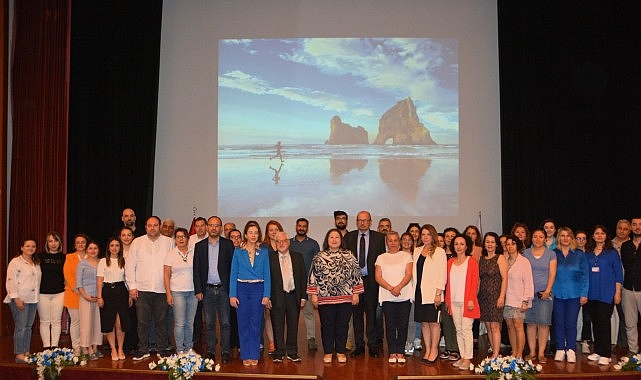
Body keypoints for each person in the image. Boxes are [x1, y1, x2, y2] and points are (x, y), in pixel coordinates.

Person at [308, 229, 363, 364]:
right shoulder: (319, 256)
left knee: (342, 325)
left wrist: (356, 294)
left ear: (341, 239)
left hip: (345, 298)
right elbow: (312, 277)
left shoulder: (349, 255)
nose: (334, 239)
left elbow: (356, 276)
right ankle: (327, 352)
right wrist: (314, 295)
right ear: (327, 240)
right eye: (331, 237)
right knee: (327, 326)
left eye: (336, 237)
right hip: (325, 298)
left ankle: (340, 351)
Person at [126, 216, 175, 360]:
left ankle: (161, 349)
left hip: (162, 289)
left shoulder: (169, 242)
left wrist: (170, 288)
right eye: (149, 225)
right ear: (146, 227)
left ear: (159, 226)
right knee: (142, 321)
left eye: (155, 225)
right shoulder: (137, 242)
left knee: (161, 321)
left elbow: (173, 265)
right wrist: (132, 287)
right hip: (142, 289)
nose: (152, 228)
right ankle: (143, 349)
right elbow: (130, 265)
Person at [345, 210, 387, 358]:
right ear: (356, 222)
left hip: (371, 281)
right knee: (356, 316)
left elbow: (382, 260)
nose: (362, 222)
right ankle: (359, 346)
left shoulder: (379, 238)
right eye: (360, 220)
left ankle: (373, 345)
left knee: (372, 315)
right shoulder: (349, 237)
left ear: (370, 222)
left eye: (365, 220)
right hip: (354, 283)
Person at [193, 216, 234, 363]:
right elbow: (196, 269)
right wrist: (198, 290)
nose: (214, 228)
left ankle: (225, 351)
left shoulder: (228, 245)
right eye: (211, 225)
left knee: (225, 322)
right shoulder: (200, 246)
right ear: (207, 227)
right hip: (207, 290)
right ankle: (210, 351)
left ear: (221, 228)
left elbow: (232, 269)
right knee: (209, 323)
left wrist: (232, 291)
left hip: (224, 290)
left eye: (217, 225)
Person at [229, 221, 271, 366]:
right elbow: (233, 274)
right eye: (250, 232)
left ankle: (254, 354)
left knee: (256, 323)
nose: (253, 235)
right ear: (245, 234)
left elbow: (267, 274)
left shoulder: (264, 252)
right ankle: (245, 354)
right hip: (242, 289)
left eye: (256, 232)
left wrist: (267, 294)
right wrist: (232, 295)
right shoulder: (238, 252)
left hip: (258, 289)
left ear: (259, 234)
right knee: (243, 323)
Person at [585, 225, 623, 366]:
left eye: (602, 233)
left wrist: (617, 292)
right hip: (591, 294)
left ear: (606, 236)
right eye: (597, 233)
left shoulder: (612, 253)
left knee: (604, 322)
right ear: (593, 236)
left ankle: (606, 353)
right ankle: (598, 351)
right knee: (595, 322)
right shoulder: (588, 253)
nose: (599, 235)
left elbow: (618, 274)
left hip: (607, 294)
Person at [268, 232, 307, 362]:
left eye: (284, 240)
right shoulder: (270, 258)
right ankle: (278, 352)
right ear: (275, 243)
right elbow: (267, 279)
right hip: (276, 297)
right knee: (277, 325)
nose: (281, 243)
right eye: (278, 241)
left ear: (288, 242)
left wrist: (303, 297)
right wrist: (267, 297)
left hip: (293, 296)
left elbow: (302, 278)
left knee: (293, 325)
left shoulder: (298, 257)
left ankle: (292, 352)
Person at [375, 231, 412, 364]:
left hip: (404, 295)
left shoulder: (406, 256)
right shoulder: (381, 257)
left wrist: (399, 287)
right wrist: (391, 288)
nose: (393, 243)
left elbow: (409, 274)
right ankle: (392, 351)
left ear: (400, 241)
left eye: (396, 240)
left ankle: (400, 352)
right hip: (387, 296)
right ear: (386, 242)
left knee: (402, 325)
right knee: (390, 326)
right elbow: (378, 277)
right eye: (390, 240)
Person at [552, 227, 588, 363]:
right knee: (559, 322)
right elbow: (550, 274)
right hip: (557, 294)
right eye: (562, 236)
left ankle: (571, 349)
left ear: (572, 238)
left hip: (574, 294)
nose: (565, 238)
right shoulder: (553, 254)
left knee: (571, 323)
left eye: (568, 236)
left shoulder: (579, 254)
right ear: (558, 238)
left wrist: (584, 293)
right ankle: (560, 349)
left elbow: (585, 275)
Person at [412, 224, 447, 364]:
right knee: (424, 323)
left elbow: (442, 273)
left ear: (433, 236)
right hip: (419, 293)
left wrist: (439, 293)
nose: (425, 237)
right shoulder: (417, 250)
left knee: (434, 323)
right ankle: (427, 350)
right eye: (423, 234)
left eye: (428, 234)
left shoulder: (439, 251)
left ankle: (434, 350)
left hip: (433, 293)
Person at [445, 234, 480, 370]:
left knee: (466, 330)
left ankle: (468, 358)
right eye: (456, 244)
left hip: (467, 302)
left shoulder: (471, 262)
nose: (459, 246)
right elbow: (448, 283)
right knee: (458, 330)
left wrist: (471, 299)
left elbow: (474, 282)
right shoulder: (450, 262)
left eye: (462, 244)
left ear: (466, 246)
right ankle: (462, 356)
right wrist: (448, 301)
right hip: (454, 301)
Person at [5, 238, 41, 363]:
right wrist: (16, 298)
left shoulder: (35, 262)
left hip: (33, 299)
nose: (30, 248)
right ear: (22, 248)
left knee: (28, 327)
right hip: (20, 299)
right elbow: (11, 280)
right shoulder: (15, 262)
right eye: (27, 246)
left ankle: (26, 351)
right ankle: (19, 354)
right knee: (21, 327)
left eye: (33, 246)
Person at [523, 228, 557, 363]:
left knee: (543, 324)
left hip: (544, 294)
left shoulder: (551, 254)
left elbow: (552, 273)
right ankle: (532, 352)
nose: (538, 239)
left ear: (545, 239)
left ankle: (541, 353)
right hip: (529, 294)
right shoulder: (526, 253)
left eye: (541, 237)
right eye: (535, 236)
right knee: (530, 323)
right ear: (532, 238)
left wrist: (548, 290)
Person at [289, 218, 321, 352]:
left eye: (304, 226)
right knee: (291, 314)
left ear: (307, 228)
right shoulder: (289, 243)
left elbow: (317, 266)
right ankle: (290, 341)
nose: (301, 228)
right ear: (296, 227)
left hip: (308, 284)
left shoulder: (313, 244)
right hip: (291, 285)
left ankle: (311, 338)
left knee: (309, 313)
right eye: (299, 226)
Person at [164, 228, 197, 355]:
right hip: (177, 292)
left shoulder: (194, 252)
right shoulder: (170, 254)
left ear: (188, 238)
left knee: (190, 323)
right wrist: (168, 294)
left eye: (183, 236)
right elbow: (166, 275)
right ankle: (180, 349)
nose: (181, 239)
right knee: (179, 323)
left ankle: (189, 348)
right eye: (178, 237)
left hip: (193, 291)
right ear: (175, 239)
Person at [97, 237, 131, 361]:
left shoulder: (124, 261)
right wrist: (99, 296)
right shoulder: (102, 261)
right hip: (107, 291)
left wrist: (129, 295)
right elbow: (99, 280)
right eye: (112, 245)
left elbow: (127, 279)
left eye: (117, 245)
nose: (115, 248)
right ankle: (113, 349)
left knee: (120, 323)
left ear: (120, 248)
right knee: (109, 322)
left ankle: (120, 348)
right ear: (108, 248)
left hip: (121, 291)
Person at [504, 235, 534, 359]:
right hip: (507, 299)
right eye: (508, 244)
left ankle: (520, 354)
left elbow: (528, 282)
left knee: (518, 326)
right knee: (510, 327)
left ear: (517, 245)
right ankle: (514, 351)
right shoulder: (504, 260)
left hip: (519, 299)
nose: (510, 246)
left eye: (513, 244)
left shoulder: (524, 261)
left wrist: (526, 300)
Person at [478, 232, 507, 359]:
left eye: (492, 242)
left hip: (495, 295)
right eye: (487, 242)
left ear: (496, 244)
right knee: (488, 326)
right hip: (483, 296)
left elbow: (505, 279)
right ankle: (493, 351)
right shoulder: (481, 259)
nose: (489, 244)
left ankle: (496, 354)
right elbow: (479, 279)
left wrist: (501, 296)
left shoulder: (500, 258)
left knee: (495, 325)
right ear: (484, 244)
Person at [37, 231, 66, 349]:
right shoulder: (40, 257)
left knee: (56, 321)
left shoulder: (64, 257)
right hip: (42, 293)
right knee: (44, 321)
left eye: (55, 240)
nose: (53, 244)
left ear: (59, 242)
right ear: (47, 243)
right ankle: (46, 347)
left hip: (59, 293)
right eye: (50, 241)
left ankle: (54, 346)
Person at [77, 241, 102, 359]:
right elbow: (78, 283)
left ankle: (96, 348)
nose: (93, 250)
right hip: (85, 297)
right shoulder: (82, 264)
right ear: (86, 250)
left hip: (98, 298)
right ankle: (88, 349)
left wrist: (100, 296)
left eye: (95, 248)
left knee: (97, 323)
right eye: (90, 248)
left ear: (98, 250)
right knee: (87, 324)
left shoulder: (102, 263)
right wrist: (85, 296)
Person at [64, 234, 88, 355]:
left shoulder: (91, 256)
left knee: (86, 322)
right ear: (75, 245)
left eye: (83, 242)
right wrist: (77, 287)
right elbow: (67, 274)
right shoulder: (69, 257)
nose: (80, 244)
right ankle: (76, 347)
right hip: (73, 294)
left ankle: (85, 346)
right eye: (78, 242)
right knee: (76, 321)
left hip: (88, 296)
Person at [262, 220, 284, 354]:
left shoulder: (285, 244)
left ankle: (280, 341)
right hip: (268, 285)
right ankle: (272, 342)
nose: (274, 232)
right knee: (268, 315)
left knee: (281, 315)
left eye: (276, 229)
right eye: (271, 230)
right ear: (267, 232)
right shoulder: (263, 247)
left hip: (283, 287)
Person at [439, 227, 460, 361]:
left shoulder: (459, 255)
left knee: (456, 321)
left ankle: (456, 349)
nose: (450, 238)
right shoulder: (439, 254)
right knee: (445, 321)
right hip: (443, 291)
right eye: (447, 236)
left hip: (456, 291)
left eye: (453, 236)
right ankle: (448, 347)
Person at [621, 217, 641, 355]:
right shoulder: (626, 246)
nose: (637, 227)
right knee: (630, 323)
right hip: (628, 288)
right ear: (631, 228)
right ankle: (633, 350)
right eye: (634, 225)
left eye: (640, 225)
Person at [118, 227, 137, 354]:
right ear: (120, 237)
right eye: (123, 235)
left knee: (133, 317)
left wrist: (131, 290)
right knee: (120, 319)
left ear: (133, 237)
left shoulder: (136, 251)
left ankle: (132, 344)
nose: (126, 237)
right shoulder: (116, 251)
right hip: (119, 289)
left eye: (129, 235)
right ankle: (121, 344)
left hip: (134, 288)